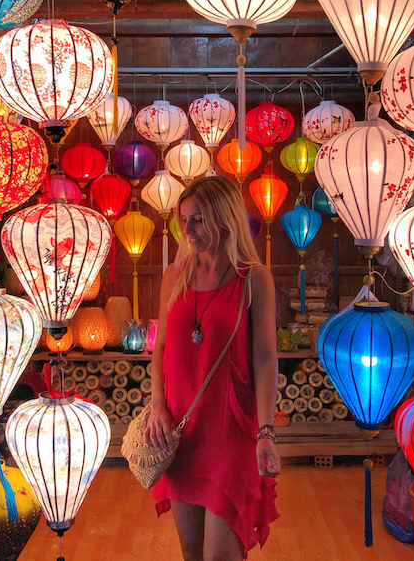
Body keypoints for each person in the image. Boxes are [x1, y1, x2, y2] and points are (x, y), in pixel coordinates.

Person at [145, 175, 280, 561]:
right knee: (192, 553)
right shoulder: (175, 276)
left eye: (199, 219)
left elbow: (266, 358)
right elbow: (161, 350)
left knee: (221, 555)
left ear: (225, 219)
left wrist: (266, 430)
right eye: (184, 219)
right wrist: (157, 406)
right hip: (180, 431)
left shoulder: (253, 278)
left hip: (231, 430)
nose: (187, 229)